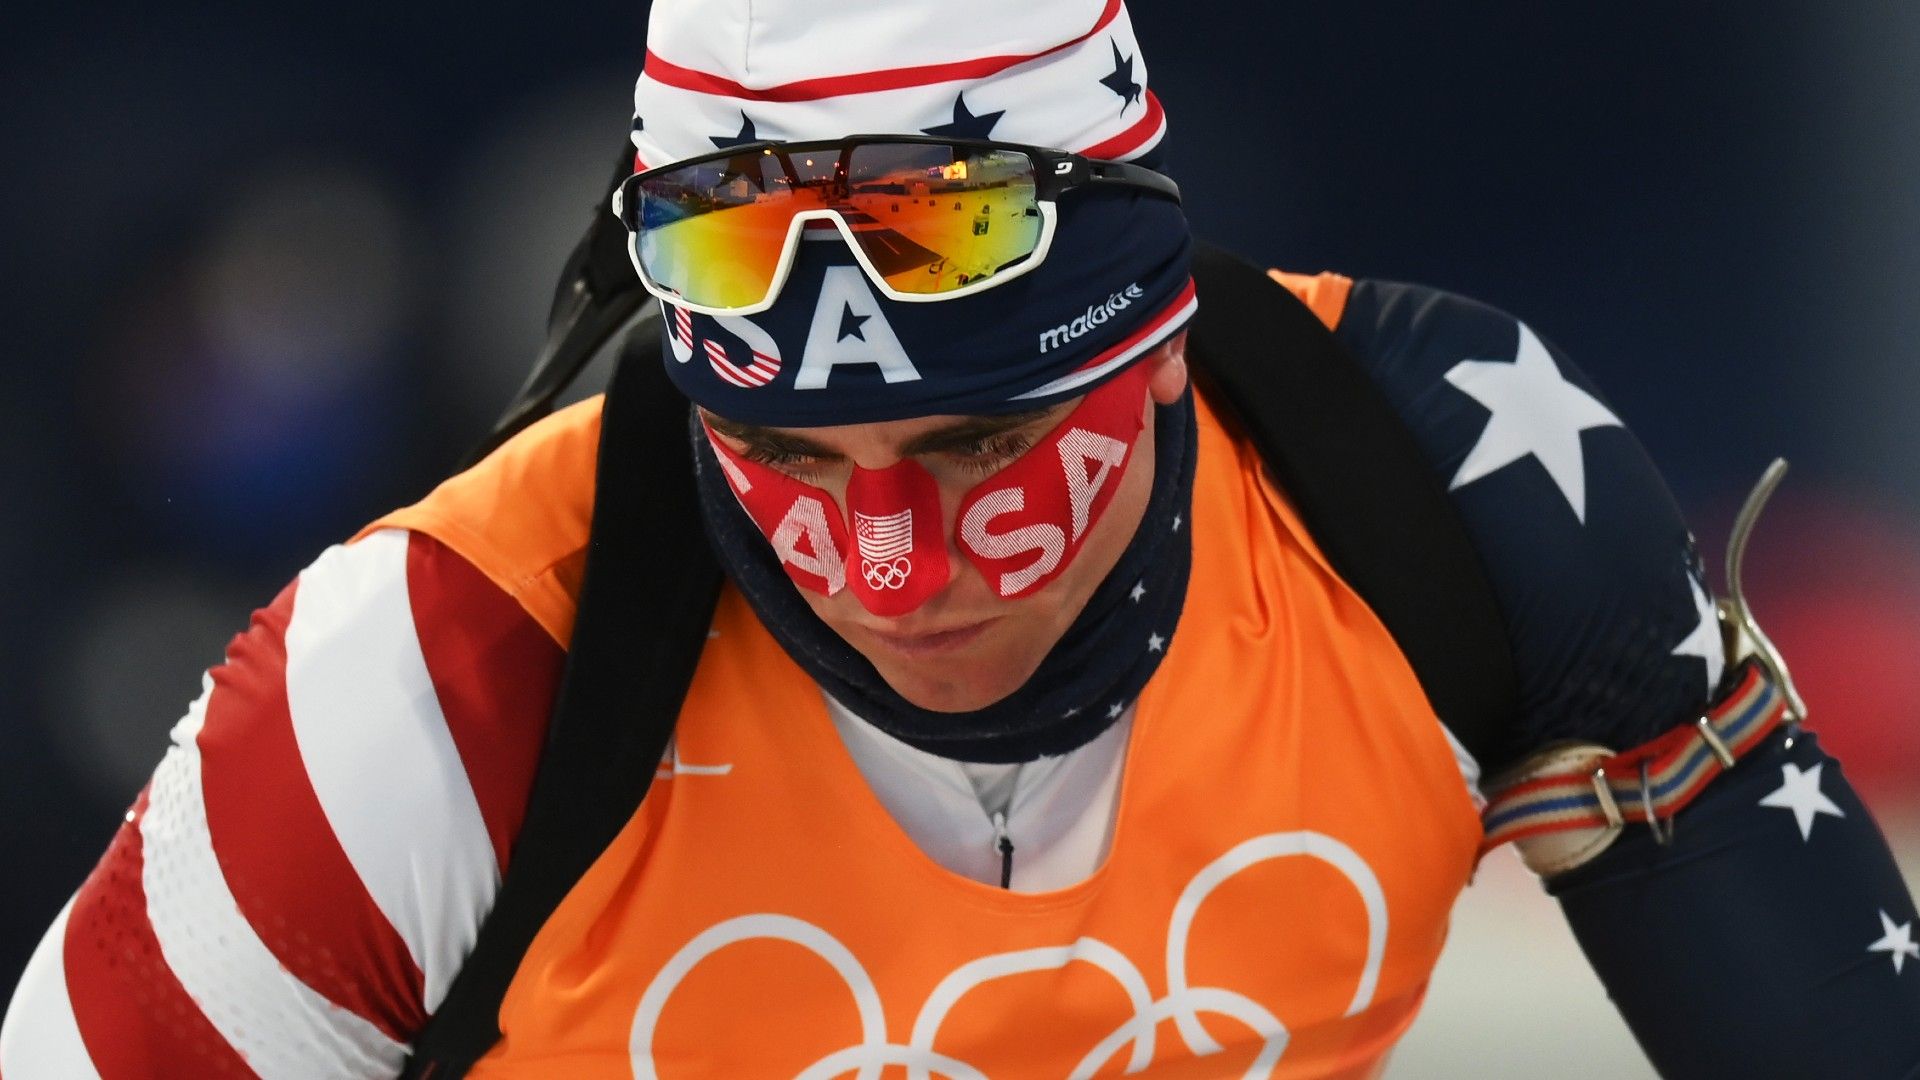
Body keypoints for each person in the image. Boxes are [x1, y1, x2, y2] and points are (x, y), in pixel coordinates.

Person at [5, 1, 1918, 1076]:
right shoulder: (424, 676)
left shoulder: (1447, 488)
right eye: (788, 457)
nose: (898, 569)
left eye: (982, 441)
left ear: (1165, 349)